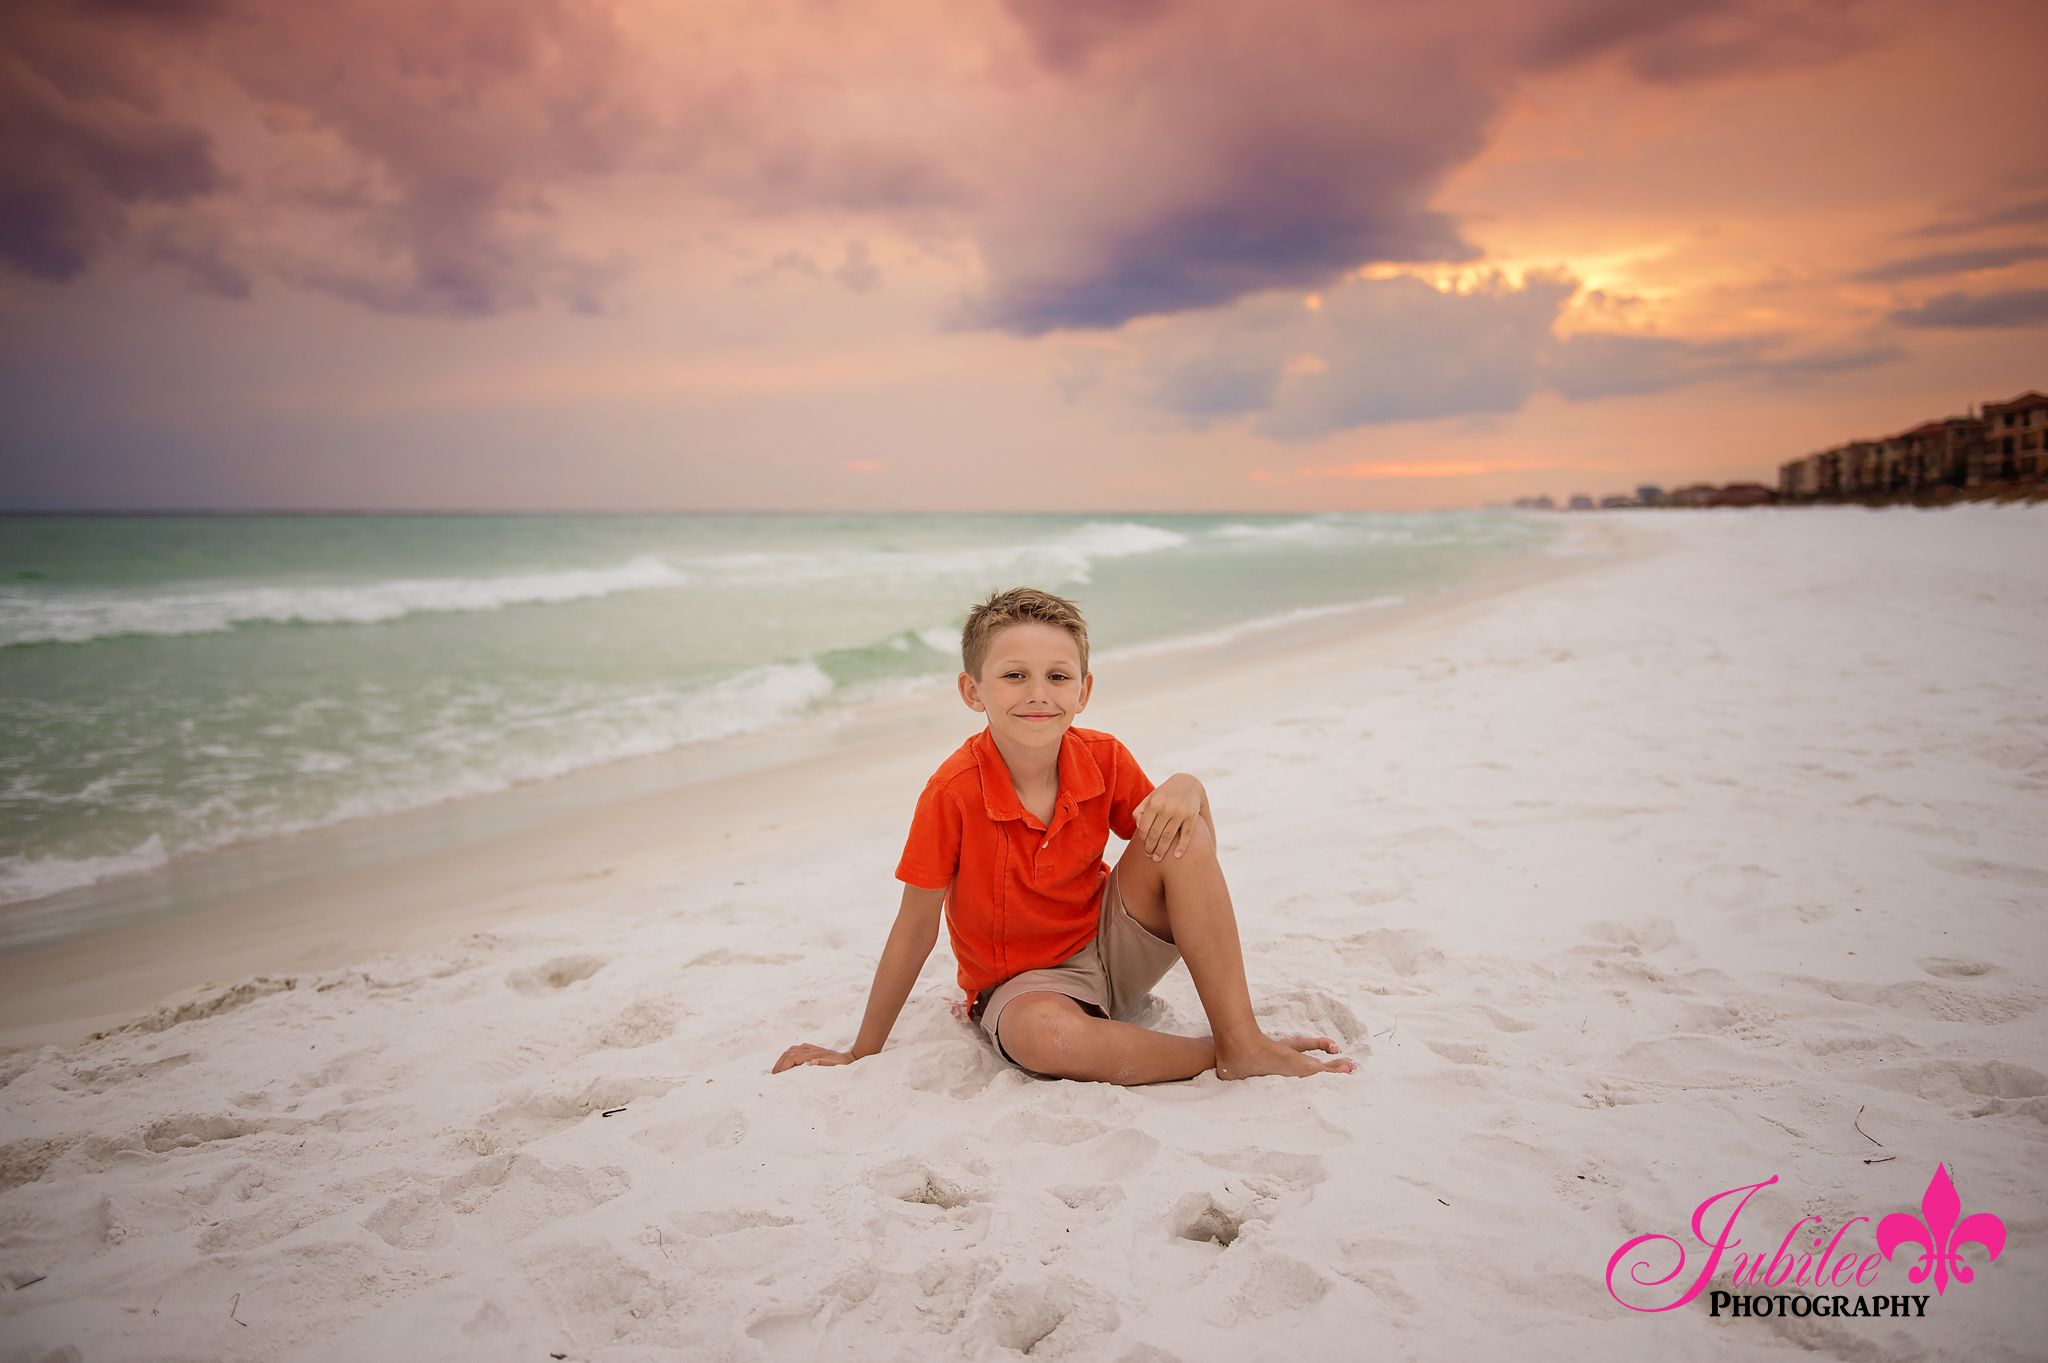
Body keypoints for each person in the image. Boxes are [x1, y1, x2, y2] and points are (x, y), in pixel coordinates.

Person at [772, 587, 1354, 1084]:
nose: (1037, 693)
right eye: (1013, 676)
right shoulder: (952, 791)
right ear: (973, 692)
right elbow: (914, 927)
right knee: (1042, 1036)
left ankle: (1243, 1037)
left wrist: (1190, 784)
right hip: (1027, 988)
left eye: (1056, 676)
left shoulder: (1103, 755)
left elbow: (1191, 860)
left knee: (1182, 830)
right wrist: (859, 1051)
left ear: (1084, 689)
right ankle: (1219, 1054)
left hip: (1114, 949)